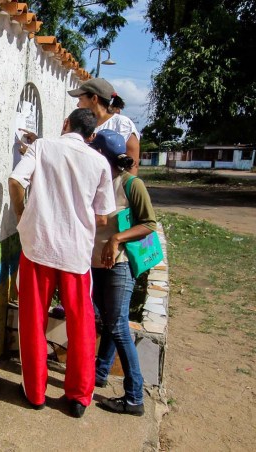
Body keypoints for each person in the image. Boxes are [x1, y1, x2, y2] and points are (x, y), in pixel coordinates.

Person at [8, 108, 116, 418]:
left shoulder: (42, 147)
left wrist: (21, 214)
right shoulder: (99, 163)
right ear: (91, 135)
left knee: (33, 320)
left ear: (64, 124)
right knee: (81, 323)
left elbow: (16, 181)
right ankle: (79, 397)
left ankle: (35, 392)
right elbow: (103, 215)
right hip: (75, 255)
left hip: (38, 248)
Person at [89, 129, 158, 416]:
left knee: (118, 326)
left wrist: (117, 239)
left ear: (104, 157)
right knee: (108, 322)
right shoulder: (96, 182)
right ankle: (100, 373)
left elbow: (149, 225)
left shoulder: (131, 185)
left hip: (119, 266)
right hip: (96, 264)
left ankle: (134, 398)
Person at [68, 78, 140, 175]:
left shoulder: (122, 125)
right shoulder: (80, 125)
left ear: (94, 99)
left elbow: (132, 166)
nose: (77, 105)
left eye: (80, 99)